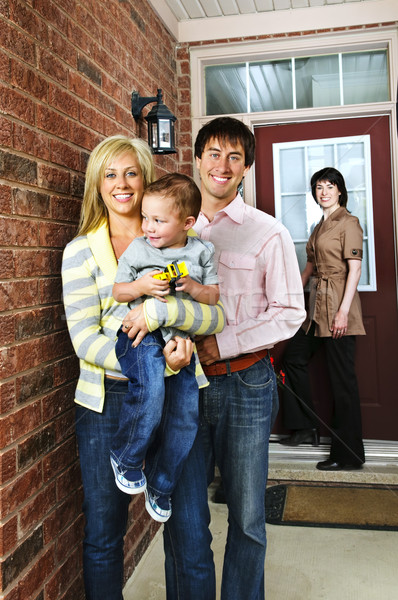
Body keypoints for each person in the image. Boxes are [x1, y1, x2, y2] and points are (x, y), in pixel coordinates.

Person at [61, 135, 225, 600]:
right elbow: (84, 339)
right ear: (97, 184)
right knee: (104, 536)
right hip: (106, 402)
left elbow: (214, 315)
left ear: (147, 178)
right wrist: (146, 365)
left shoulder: (183, 242)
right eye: (110, 174)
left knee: (192, 533)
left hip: (178, 391)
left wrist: (165, 323)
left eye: (131, 172)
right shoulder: (81, 252)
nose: (121, 184)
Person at [157, 116, 305, 600]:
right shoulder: (169, 225)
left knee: (246, 517)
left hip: (245, 386)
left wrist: (224, 341)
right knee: (185, 516)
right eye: (213, 154)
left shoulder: (268, 233)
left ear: (246, 169)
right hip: (181, 385)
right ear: (197, 160)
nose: (222, 165)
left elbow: (289, 314)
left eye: (234, 157)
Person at [110, 173, 220, 523]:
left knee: (187, 416)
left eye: (158, 220)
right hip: (139, 337)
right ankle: (126, 457)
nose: (148, 226)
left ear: (187, 223)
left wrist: (193, 286)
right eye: (145, 217)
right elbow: (118, 293)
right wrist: (140, 284)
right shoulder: (139, 248)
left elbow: (214, 298)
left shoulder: (202, 251)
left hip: (181, 339)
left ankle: (161, 485)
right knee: (152, 390)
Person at [279, 167, 366, 471]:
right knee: (292, 359)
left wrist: (343, 312)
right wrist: (292, 295)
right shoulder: (319, 226)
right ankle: (304, 426)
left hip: (339, 307)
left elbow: (354, 270)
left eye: (330, 186)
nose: (324, 191)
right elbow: (311, 267)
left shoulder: (349, 223)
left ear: (340, 190)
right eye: (319, 187)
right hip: (316, 308)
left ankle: (349, 455)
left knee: (342, 384)